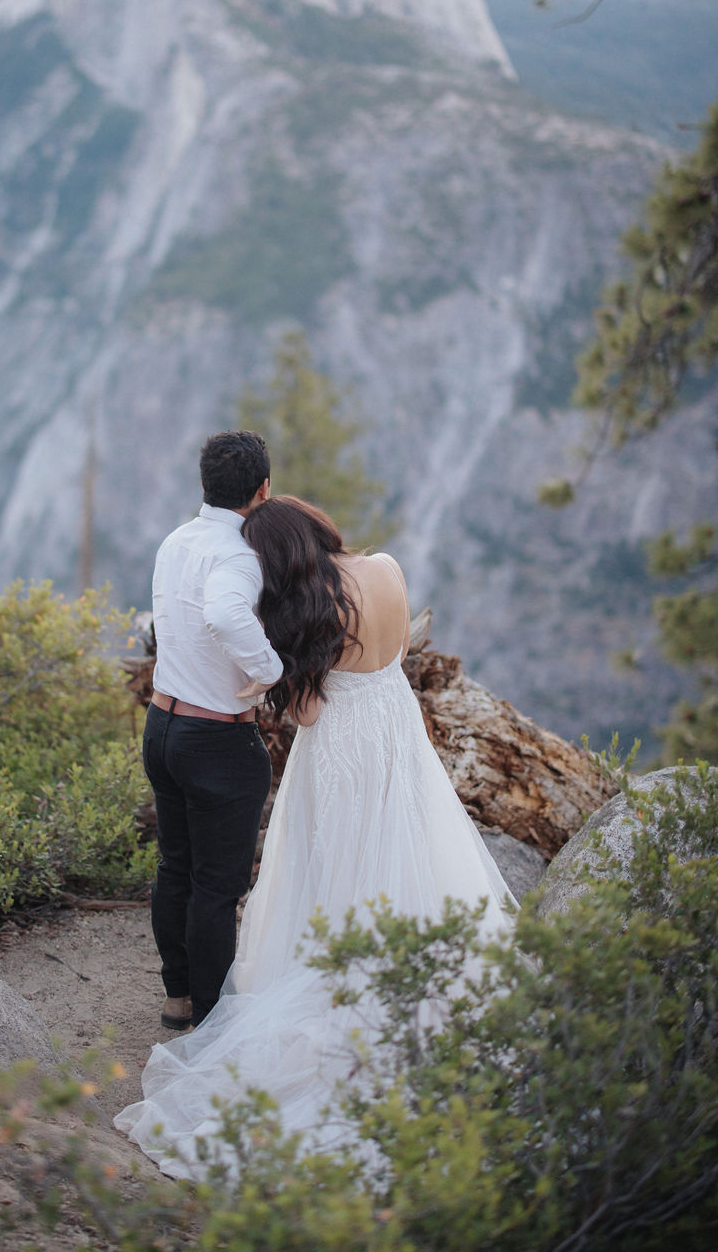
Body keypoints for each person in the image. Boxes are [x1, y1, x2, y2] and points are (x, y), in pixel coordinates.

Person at [116, 495, 515, 1177]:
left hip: (337, 752)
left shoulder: (312, 608)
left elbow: (305, 708)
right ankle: (420, 979)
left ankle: (341, 985)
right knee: (400, 853)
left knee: (335, 872)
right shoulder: (386, 567)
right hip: (397, 737)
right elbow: (389, 658)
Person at [142, 430, 285, 1033]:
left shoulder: (177, 540)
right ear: (262, 490)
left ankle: (179, 996)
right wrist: (272, 670)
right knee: (217, 884)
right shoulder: (237, 556)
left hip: (163, 726)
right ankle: (209, 1014)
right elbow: (226, 614)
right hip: (216, 741)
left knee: (176, 866)